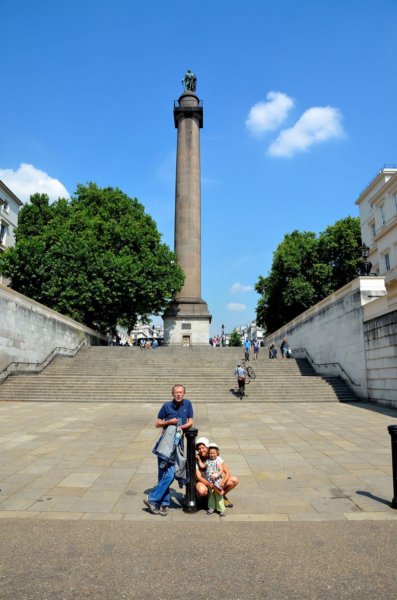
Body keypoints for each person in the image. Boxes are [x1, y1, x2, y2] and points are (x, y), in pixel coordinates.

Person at [144, 384, 193, 516]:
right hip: (165, 445)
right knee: (163, 474)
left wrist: (181, 428)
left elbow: (190, 421)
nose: (178, 394)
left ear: (184, 394)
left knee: (171, 474)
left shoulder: (187, 404)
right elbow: (157, 423)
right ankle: (163, 503)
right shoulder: (166, 406)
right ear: (173, 394)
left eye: (180, 392)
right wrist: (169, 422)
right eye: (176, 392)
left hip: (177, 446)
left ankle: (153, 499)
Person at [195, 438, 238, 508]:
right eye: (199, 449)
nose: (201, 450)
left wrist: (223, 482)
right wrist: (210, 485)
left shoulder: (215, 456)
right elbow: (199, 477)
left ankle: (221, 496)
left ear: (207, 447)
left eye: (203, 448)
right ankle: (207, 499)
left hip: (216, 481)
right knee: (202, 490)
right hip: (204, 482)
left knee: (234, 480)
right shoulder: (197, 459)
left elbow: (227, 473)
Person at [204, 443, 225, 517]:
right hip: (210, 482)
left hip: (217, 481)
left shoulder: (217, 460)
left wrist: (216, 474)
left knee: (218, 495)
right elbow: (204, 467)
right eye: (210, 453)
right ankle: (211, 507)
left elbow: (221, 470)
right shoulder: (208, 460)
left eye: (213, 453)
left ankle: (221, 509)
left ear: (217, 453)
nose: (212, 454)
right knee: (211, 495)